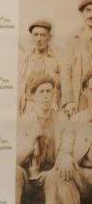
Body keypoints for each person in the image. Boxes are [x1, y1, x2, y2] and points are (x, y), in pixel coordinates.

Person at [15, 76, 68, 204]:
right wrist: (31, 142)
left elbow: (65, 151)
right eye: (41, 92)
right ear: (33, 96)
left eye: (49, 91)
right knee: (15, 172)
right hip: (29, 177)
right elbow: (16, 158)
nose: (45, 96)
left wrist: (52, 172)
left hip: (52, 175)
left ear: (54, 95)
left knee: (53, 178)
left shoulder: (62, 119)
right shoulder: (24, 121)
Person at [44, 72, 92, 203]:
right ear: (85, 91)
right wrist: (66, 157)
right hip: (83, 178)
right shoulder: (77, 120)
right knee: (58, 175)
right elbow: (65, 149)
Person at [18, 20, 61, 114]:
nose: (38, 39)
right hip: (29, 107)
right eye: (36, 35)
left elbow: (61, 86)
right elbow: (21, 87)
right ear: (32, 37)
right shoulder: (26, 59)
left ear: (49, 37)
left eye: (42, 35)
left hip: (50, 107)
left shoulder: (57, 58)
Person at [61, 0, 92, 117]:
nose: (91, 15)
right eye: (88, 10)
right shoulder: (74, 39)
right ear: (83, 14)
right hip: (80, 97)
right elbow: (66, 71)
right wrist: (69, 100)